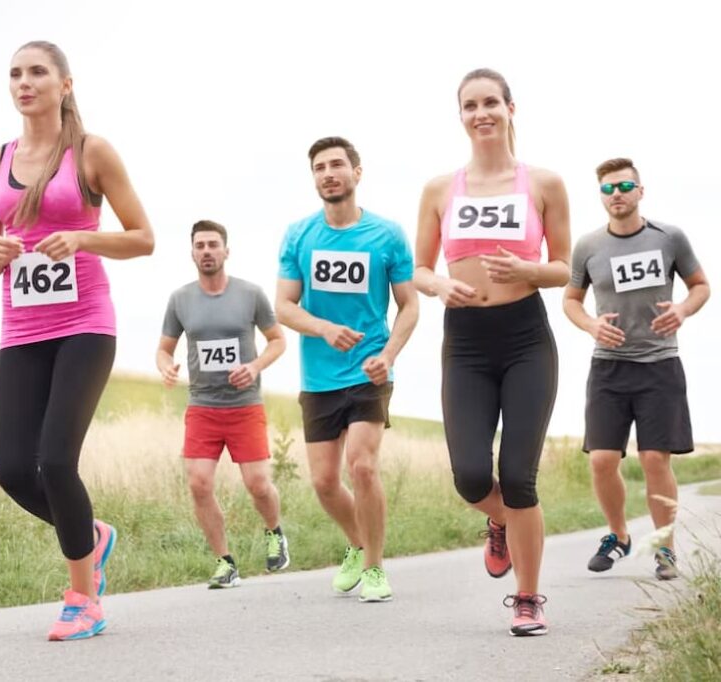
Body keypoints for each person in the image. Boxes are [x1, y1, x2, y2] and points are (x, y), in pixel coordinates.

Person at [0, 41, 154, 641]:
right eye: (15, 74)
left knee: (55, 460)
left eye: (37, 72)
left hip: (84, 324)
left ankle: (84, 599)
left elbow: (143, 237)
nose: (24, 83)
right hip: (20, 329)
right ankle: (92, 536)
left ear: (65, 84)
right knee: (12, 470)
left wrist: (82, 240)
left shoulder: (91, 152)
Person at [413, 68, 570, 636]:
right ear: (460, 116)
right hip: (466, 343)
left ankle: (528, 597)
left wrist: (529, 269)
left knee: (519, 477)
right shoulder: (439, 189)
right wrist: (438, 287)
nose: (480, 114)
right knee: (471, 475)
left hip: (526, 336)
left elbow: (564, 267)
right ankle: (502, 523)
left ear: (510, 108)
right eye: (469, 105)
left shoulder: (544, 183)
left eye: (490, 103)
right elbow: (419, 268)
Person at [276, 136, 419, 603]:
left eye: (337, 164)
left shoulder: (388, 235)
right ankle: (357, 545)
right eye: (319, 167)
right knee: (322, 481)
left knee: (362, 465)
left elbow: (409, 305)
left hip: (369, 370)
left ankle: (376, 568)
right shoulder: (299, 235)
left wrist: (389, 356)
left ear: (357, 173)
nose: (328, 173)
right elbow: (283, 307)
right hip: (318, 375)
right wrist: (323, 328)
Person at [563, 158, 710, 581]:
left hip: (660, 364)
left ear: (640, 191)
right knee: (602, 460)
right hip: (609, 367)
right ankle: (619, 536)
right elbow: (571, 299)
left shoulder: (669, 238)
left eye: (624, 186)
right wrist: (590, 324)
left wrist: (682, 309)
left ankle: (665, 549)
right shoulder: (589, 246)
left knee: (653, 459)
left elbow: (700, 285)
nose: (617, 195)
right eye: (608, 189)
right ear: (601, 197)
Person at [157, 220, 289, 588]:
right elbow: (164, 349)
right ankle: (224, 562)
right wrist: (167, 368)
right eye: (200, 246)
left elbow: (277, 340)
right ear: (192, 253)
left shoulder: (250, 294)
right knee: (199, 484)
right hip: (202, 405)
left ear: (226, 251)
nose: (207, 251)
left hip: (244, 405)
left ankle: (274, 532)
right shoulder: (180, 299)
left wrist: (255, 366)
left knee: (258, 484)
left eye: (213, 244)